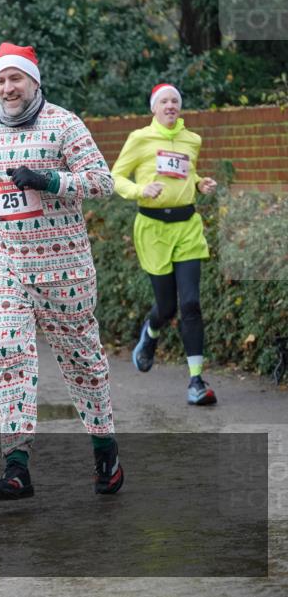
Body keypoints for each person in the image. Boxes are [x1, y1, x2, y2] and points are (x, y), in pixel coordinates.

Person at [0, 43, 123, 500]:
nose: (7, 88)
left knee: (83, 364)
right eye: (0, 81)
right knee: (7, 349)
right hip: (10, 261)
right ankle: (16, 467)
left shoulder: (64, 123)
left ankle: (106, 453)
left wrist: (49, 181)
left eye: (15, 79)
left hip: (64, 269)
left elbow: (102, 181)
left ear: (34, 80)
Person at [111, 83, 218, 405]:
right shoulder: (140, 139)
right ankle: (151, 332)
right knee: (168, 307)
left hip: (187, 227)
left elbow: (188, 174)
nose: (170, 105)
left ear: (179, 107)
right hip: (153, 229)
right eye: (164, 101)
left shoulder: (192, 140)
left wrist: (200, 183)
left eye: (175, 101)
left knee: (190, 305)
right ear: (154, 108)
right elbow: (116, 177)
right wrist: (140, 190)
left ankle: (196, 381)